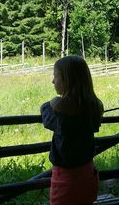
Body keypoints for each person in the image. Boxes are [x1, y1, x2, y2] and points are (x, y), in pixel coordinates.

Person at [40, 55, 104, 205]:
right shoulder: (93, 107)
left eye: (56, 76)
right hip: (89, 175)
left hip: (67, 181)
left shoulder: (62, 113)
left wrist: (55, 101)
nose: (53, 81)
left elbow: (45, 111)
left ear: (67, 80)